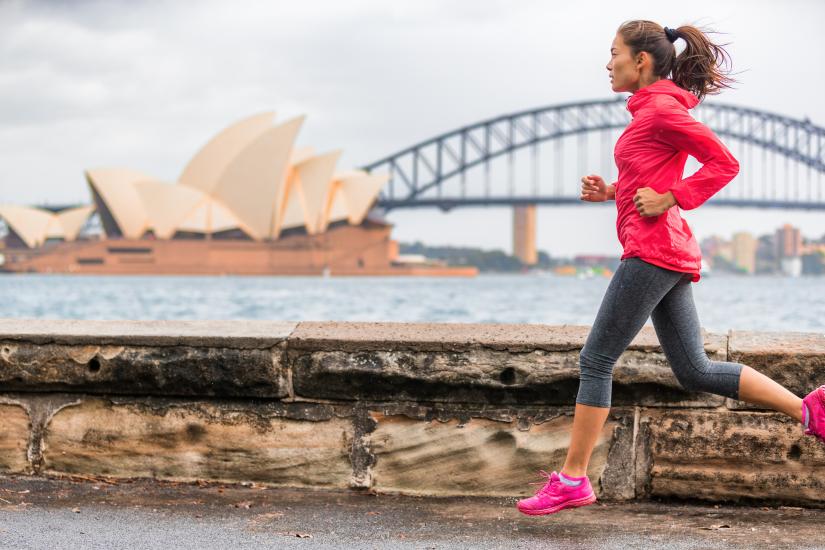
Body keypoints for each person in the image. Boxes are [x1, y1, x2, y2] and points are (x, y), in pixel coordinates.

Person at [516, 19, 825, 517]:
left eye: (613, 52)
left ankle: (572, 479)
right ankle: (809, 409)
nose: (607, 62)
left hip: (653, 251)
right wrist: (614, 193)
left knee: (595, 361)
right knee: (694, 369)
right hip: (666, 250)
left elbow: (724, 163)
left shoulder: (659, 109)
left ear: (641, 61)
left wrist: (672, 196)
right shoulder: (650, 112)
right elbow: (650, 179)